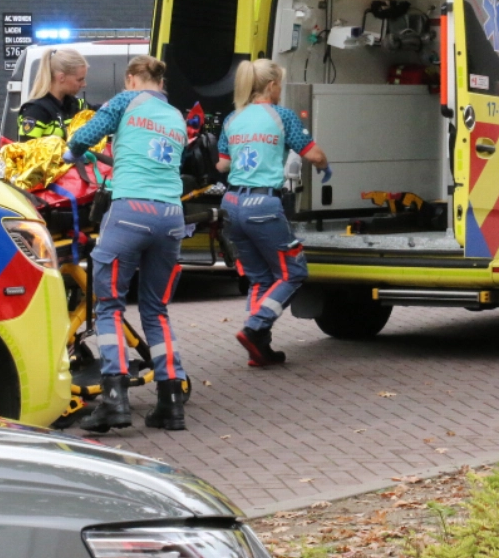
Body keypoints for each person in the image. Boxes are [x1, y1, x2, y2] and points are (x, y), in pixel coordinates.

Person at [67, 55, 189, 433]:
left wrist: (75, 153)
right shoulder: (177, 117)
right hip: (171, 217)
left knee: (109, 307)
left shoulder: (124, 101)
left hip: (129, 212)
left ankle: (114, 399)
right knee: (156, 309)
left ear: (132, 78)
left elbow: (83, 138)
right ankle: (171, 401)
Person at [217, 59, 330, 367]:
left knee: (259, 278)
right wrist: (324, 166)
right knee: (294, 272)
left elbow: (222, 165)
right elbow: (314, 155)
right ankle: (255, 327)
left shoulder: (232, 118)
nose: (281, 89)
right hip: (263, 206)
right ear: (271, 86)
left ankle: (260, 348)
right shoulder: (282, 116)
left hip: (231, 204)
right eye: (280, 83)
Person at [17, 47, 89, 141]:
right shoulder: (36, 111)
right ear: (61, 77)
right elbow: (27, 152)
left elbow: (106, 111)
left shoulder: (76, 105)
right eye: (80, 79)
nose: (84, 84)